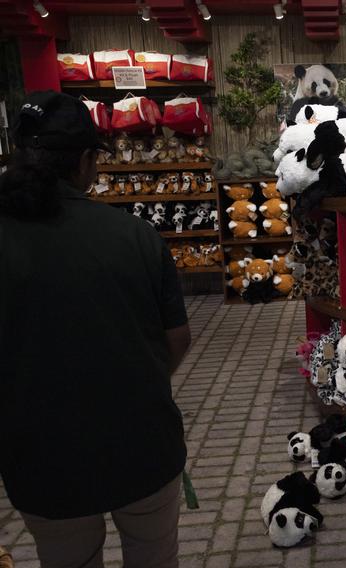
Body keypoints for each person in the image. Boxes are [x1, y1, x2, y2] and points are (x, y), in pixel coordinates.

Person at [0, 92, 190, 568]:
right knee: (154, 558)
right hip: (141, 441)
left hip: (39, 458)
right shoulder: (134, 236)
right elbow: (176, 338)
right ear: (86, 161)